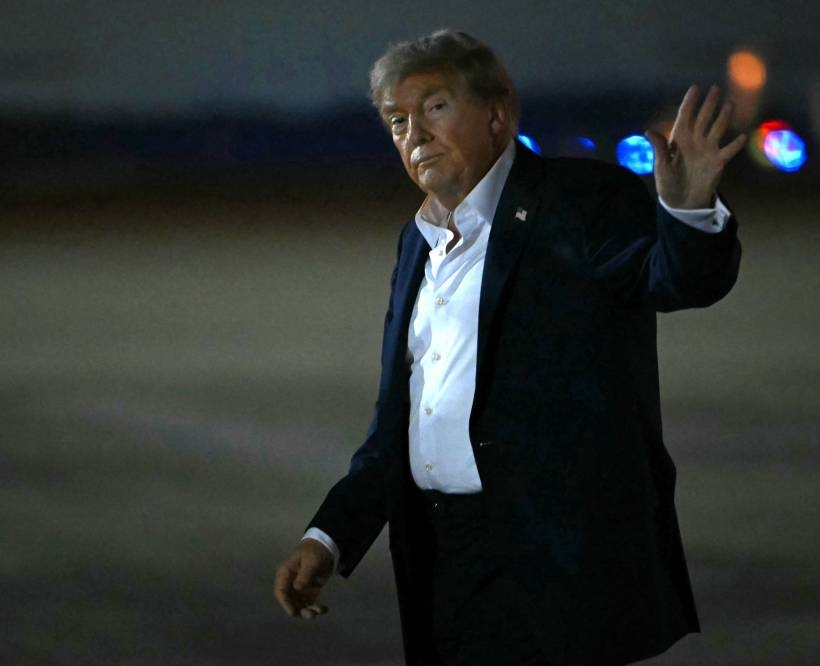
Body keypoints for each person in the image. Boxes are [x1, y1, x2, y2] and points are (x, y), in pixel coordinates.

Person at [274, 30, 745, 666]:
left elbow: (674, 280)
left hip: (555, 565)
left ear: (497, 113)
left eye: (436, 107)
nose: (414, 133)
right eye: (396, 121)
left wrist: (688, 213)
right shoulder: (417, 244)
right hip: (442, 564)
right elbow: (399, 427)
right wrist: (327, 537)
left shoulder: (580, 202)